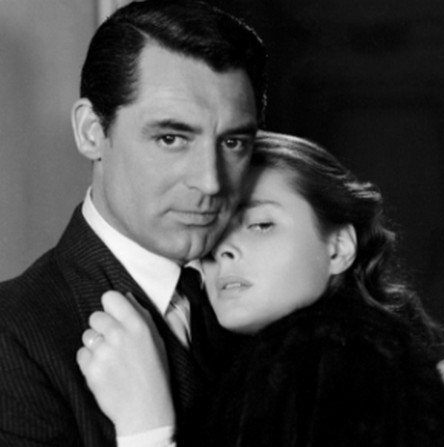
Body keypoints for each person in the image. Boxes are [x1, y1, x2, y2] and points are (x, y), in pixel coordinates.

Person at [0, 1, 267, 445]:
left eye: (233, 142)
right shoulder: (13, 339)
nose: (210, 181)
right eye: (171, 138)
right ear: (91, 131)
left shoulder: (280, 301)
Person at [79, 131, 444, 446]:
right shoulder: (348, 357)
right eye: (212, 229)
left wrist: (147, 428)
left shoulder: (323, 360)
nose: (222, 249)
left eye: (259, 224)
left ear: (338, 248)